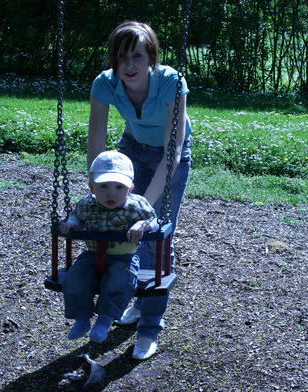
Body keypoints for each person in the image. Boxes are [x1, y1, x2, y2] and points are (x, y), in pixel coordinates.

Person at [87, 21, 192, 360]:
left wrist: (143, 205)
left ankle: (149, 327)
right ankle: (135, 296)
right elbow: (97, 142)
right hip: (131, 149)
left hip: (170, 154)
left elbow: (173, 150)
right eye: (121, 58)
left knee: (156, 234)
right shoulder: (105, 84)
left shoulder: (171, 83)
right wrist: (96, 186)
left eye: (137, 56)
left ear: (151, 58)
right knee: (122, 231)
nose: (128, 66)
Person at [59, 150, 157, 344]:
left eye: (119, 187)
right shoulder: (86, 204)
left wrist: (142, 225)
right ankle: (81, 319)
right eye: (103, 186)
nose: (111, 193)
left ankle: (104, 321)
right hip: (91, 254)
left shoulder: (136, 206)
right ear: (91, 187)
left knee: (120, 282)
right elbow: (76, 217)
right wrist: (70, 224)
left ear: (130, 189)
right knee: (75, 278)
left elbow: (153, 220)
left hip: (124, 257)